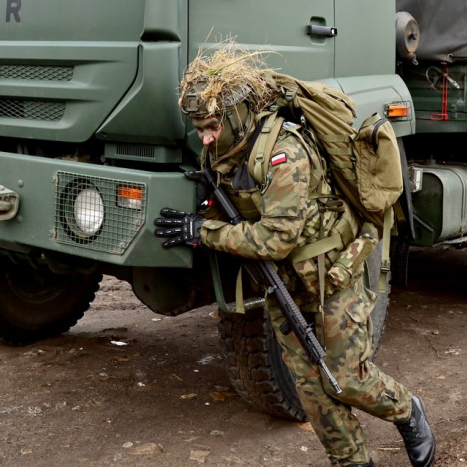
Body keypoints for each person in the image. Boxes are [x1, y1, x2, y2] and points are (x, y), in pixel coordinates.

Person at [154, 46, 435, 467]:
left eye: (212, 126)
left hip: (338, 269)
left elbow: (275, 239)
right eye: (199, 129)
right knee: (311, 386)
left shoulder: (286, 152)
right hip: (284, 281)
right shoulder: (220, 155)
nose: (206, 137)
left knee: (346, 379)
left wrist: (203, 232)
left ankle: (407, 410)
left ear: (237, 115)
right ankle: (353, 462)